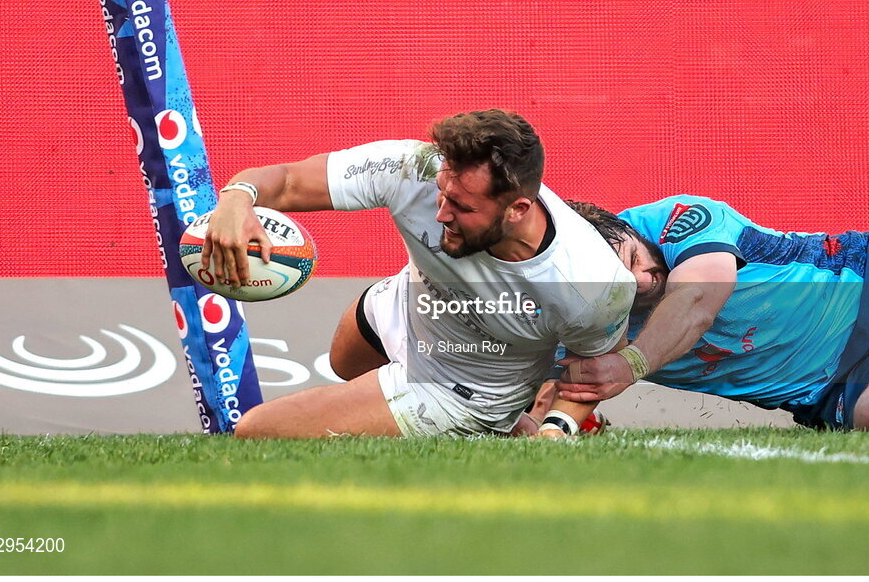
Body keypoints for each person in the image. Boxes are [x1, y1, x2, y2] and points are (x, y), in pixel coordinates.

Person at [202, 109, 636, 438]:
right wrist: (238, 198)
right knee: (342, 363)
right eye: (443, 194)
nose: (441, 212)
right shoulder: (417, 168)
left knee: (257, 432)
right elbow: (291, 181)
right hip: (405, 303)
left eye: (463, 208)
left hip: (463, 390)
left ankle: (488, 427)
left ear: (518, 209)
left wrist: (555, 429)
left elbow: (592, 368)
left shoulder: (592, 283)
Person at [549, 196, 869, 432]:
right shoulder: (575, 316)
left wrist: (630, 364)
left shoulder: (674, 219)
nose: (641, 282)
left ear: (627, 229)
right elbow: (545, 393)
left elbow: (696, 300)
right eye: (621, 287)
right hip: (831, 385)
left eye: (635, 260)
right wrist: (552, 425)